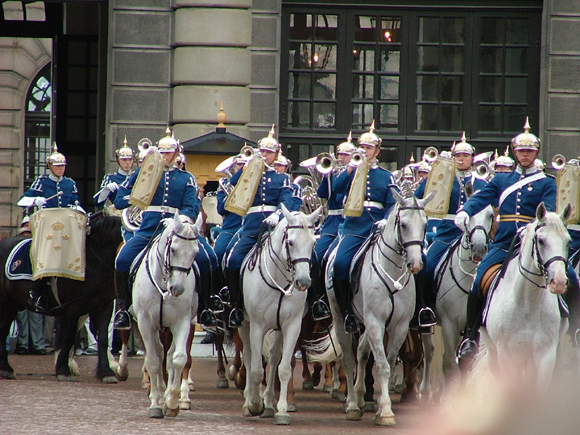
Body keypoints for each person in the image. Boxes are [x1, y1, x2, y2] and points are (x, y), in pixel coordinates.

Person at [455, 118, 580, 360]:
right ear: (515, 152)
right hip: (504, 243)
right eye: (521, 151)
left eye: (529, 151)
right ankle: (471, 338)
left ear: (535, 153)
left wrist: (533, 229)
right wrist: (465, 211)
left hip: (536, 243)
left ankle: (575, 329)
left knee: (571, 277)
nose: (525, 155)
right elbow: (482, 198)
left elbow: (550, 211)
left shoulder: (546, 182)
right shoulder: (502, 180)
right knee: (478, 280)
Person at [112, 128, 202, 330]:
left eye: (168, 153)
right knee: (122, 260)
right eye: (161, 153)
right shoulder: (143, 174)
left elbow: (192, 207)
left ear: (176, 154)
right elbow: (119, 200)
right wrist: (136, 198)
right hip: (148, 231)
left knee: (209, 259)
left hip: (178, 231)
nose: (165, 157)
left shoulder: (187, 178)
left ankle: (205, 309)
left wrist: (181, 220)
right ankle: (124, 309)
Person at [413, 134, 487, 330]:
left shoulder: (481, 183)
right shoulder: (441, 177)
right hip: (447, 234)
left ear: (473, 158)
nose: (461, 159)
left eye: (465, 155)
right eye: (458, 155)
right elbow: (417, 199)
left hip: (474, 237)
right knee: (427, 268)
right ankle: (425, 309)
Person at [331, 123, 398, 333]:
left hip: (377, 230)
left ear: (377, 152)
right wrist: (350, 167)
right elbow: (335, 189)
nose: (365, 151)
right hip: (354, 229)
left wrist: (386, 220)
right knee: (340, 265)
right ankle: (347, 314)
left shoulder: (386, 176)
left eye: (369, 148)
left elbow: (393, 203)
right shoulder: (351, 171)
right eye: (362, 147)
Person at [224, 126, 293, 328]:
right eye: (262, 151)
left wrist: (278, 214)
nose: (265, 155)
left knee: (304, 258)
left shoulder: (282, 178)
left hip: (275, 232)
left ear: (276, 155)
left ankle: (307, 303)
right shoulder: (250, 173)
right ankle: (236, 306)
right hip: (252, 231)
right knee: (233, 261)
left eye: (268, 152)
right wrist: (248, 165)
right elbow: (234, 184)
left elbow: (287, 201)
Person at [17, 144, 82, 311]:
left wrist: (77, 209)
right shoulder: (42, 181)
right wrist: (35, 200)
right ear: (50, 166)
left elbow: (76, 203)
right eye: (57, 166)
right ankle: (36, 291)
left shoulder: (70, 183)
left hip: (65, 228)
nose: (61, 169)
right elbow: (22, 201)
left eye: (63, 166)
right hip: (47, 228)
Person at [309, 134, 355, 321]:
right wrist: (326, 175)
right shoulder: (334, 175)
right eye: (339, 154)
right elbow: (323, 194)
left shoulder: (356, 174)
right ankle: (319, 300)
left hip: (350, 223)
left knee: (332, 258)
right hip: (332, 223)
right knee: (316, 256)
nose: (341, 157)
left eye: (346, 154)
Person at [94, 137, 135, 240]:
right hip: (116, 218)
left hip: (134, 216)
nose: (127, 163)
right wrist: (106, 189)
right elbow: (97, 202)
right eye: (124, 160)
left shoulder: (136, 177)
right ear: (118, 160)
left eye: (130, 159)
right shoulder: (111, 177)